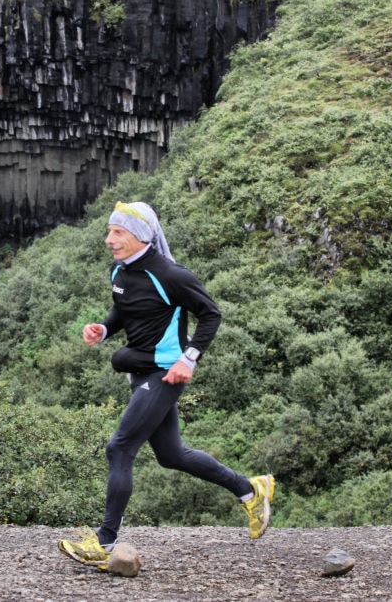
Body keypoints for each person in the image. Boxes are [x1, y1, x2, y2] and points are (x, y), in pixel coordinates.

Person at [58, 201, 275, 570]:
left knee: (120, 447)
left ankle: (105, 542)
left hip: (165, 373)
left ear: (141, 236)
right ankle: (249, 490)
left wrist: (188, 359)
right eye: (109, 231)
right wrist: (105, 328)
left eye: (118, 232)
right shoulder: (121, 271)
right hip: (141, 372)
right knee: (171, 455)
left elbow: (211, 314)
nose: (109, 239)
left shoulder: (170, 274)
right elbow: (124, 311)